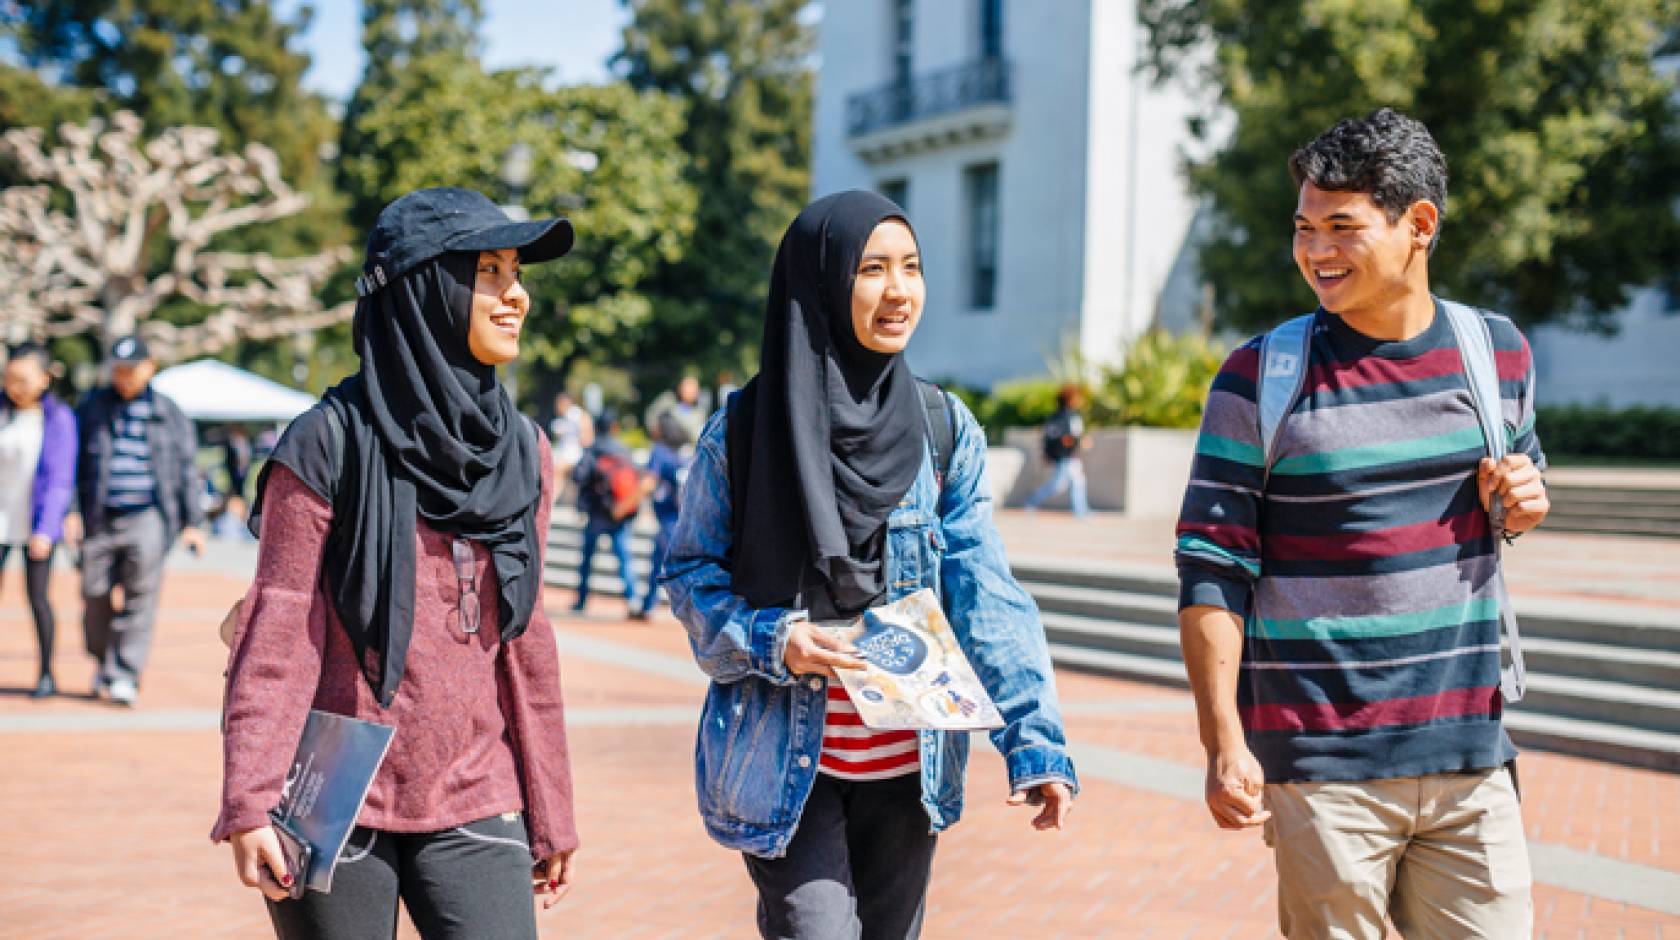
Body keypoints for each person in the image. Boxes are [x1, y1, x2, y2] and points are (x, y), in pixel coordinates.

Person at [661, 190, 1077, 939]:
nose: (899, 291)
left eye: (911, 267)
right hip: (783, 760)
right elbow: (690, 576)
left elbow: (987, 596)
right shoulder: (745, 433)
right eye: (873, 269)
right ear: (820, 284)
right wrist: (771, 639)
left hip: (907, 765)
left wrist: (1034, 742)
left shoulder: (943, 430)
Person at [1175, 109, 1548, 939]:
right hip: (1323, 767)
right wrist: (1223, 741)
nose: (1316, 252)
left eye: (1342, 227)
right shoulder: (1261, 375)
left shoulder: (1498, 354)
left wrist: (1522, 501)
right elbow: (1210, 566)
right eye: (1305, 228)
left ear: (1419, 226)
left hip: (1470, 754)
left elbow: (1517, 489)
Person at [212, 187, 580, 939]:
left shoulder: (524, 454)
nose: (518, 297)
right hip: (334, 797)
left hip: (477, 793)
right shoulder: (326, 444)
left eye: (518, 272)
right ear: (424, 286)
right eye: (491, 272)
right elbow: (278, 631)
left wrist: (551, 810)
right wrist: (249, 799)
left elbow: (526, 642)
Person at [63, 335, 206, 707]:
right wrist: (71, 510)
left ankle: (125, 673)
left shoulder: (169, 413)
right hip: (99, 515)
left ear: (150, 367)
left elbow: (187, 469)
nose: (123, 376)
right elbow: (72, 463)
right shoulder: (92, 408)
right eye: (118, 370)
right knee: (94, 593)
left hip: (149, 517)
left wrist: (194, 522)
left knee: (140, 597)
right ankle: (102, 661)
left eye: (130, 370)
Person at [0, 342, 77, 699]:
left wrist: (46, 530)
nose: (15, 386)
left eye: (23, 379)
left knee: (38, 598)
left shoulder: (58, 418)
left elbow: (61, 479)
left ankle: (46, 671)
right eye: (9, 378)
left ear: (45, 379)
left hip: (36, 523)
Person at [569, 411, 641, 613]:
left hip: (598, 513)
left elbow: (579, 475)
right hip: (619, 512)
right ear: (614, 426)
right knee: (624, 557)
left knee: (587, 558)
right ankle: (632, 598)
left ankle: (582, 600)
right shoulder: (623, 450)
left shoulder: (594, 450)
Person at [628, 411, 693, 621]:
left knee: (660, 565)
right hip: (689, 517)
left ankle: (648, 606)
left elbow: (648, 483)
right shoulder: (685, 452)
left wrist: (626, 504)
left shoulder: (660, 451)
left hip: (669, 519)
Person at [1022, 383, 1091, 517]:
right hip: (1066, 456)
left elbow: (1049, 437)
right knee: (1057, 485)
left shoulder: (1056, 417)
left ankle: (1081, 511)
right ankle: (1031, 501)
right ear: (1071, 400)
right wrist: (1080, 441)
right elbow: (1066, 437)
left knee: (1078, 481)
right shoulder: (1069, 417)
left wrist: (1047, 453)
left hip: (1066, 456)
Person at [548, 390, 593, 503]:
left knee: (557, 470)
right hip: (563, 452)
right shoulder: (560, 420)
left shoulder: (578, 415)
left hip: (575, 453)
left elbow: (587, 438)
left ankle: (550, 500)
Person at [643, 374, 708, 448]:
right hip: (666, 447)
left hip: (687, 450)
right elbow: (651, 416)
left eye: (695, 388)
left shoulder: (700, 411)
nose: (692, 392)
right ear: (680, 388)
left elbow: (699, 434)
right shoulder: (668, 401)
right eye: (688, 387)